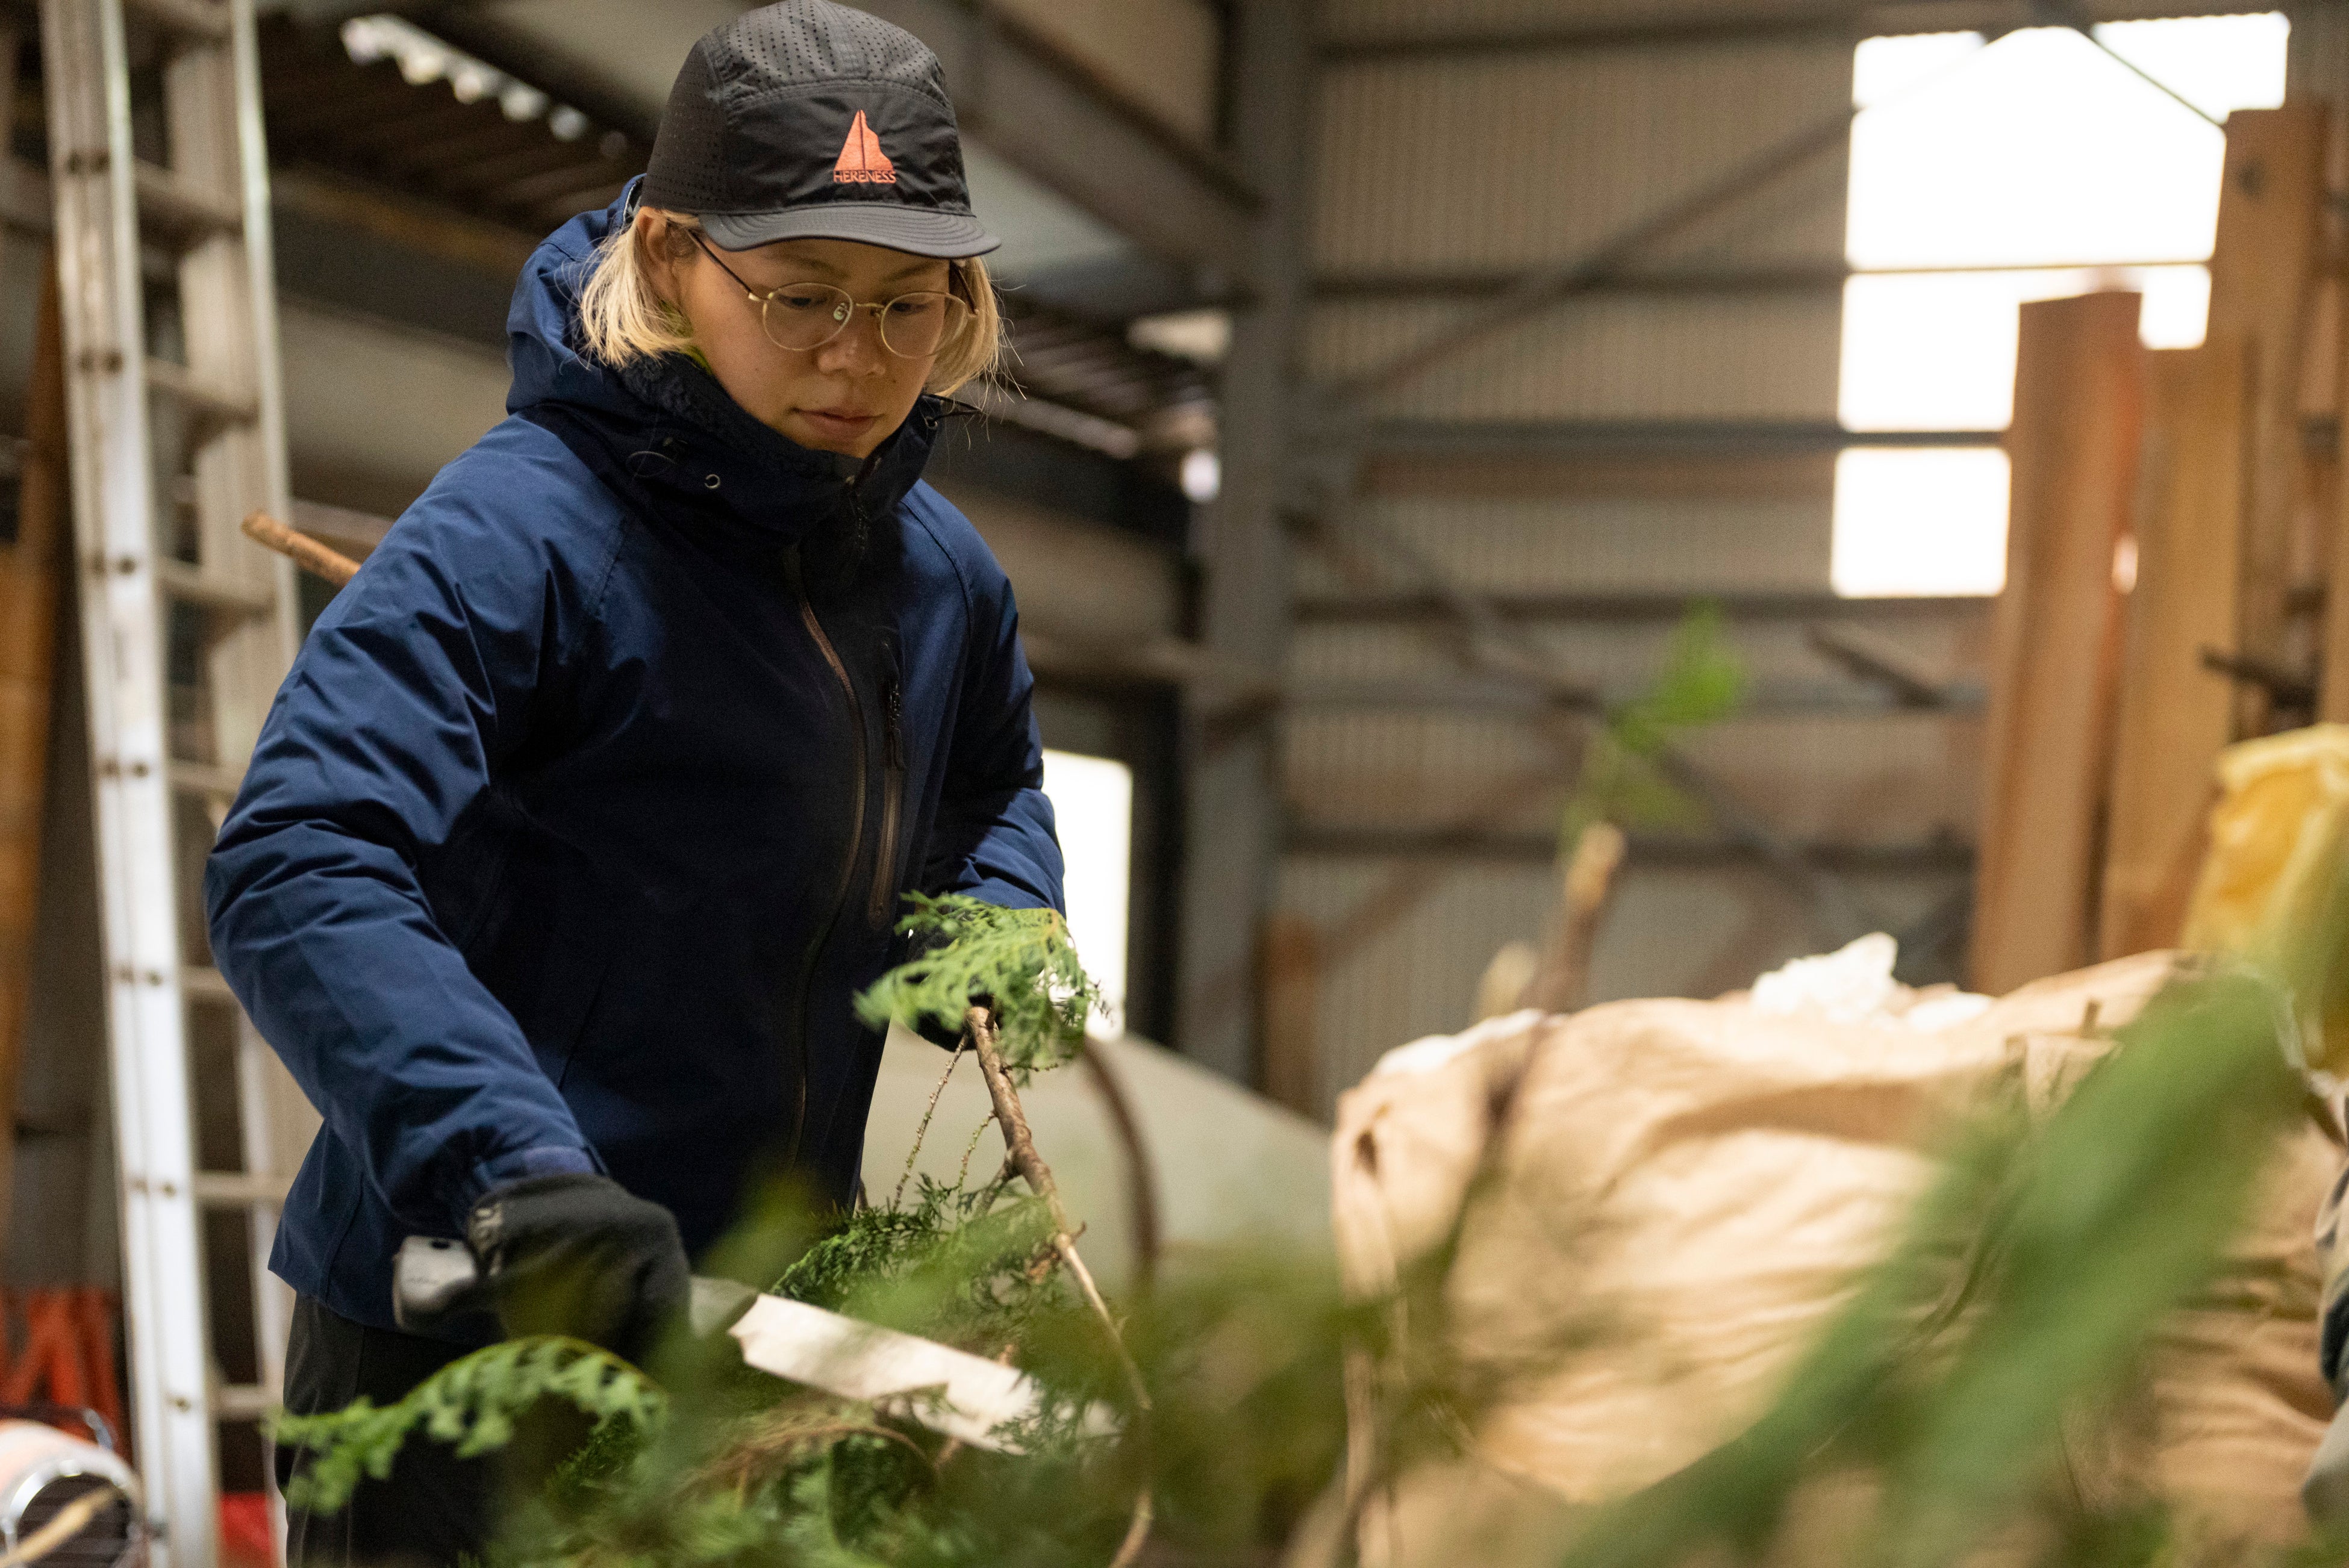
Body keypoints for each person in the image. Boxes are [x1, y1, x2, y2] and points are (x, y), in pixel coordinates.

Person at [202, 3, 1063, 1560]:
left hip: (751, 1327)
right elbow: (302, 855)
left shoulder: (942, 579)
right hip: (471, 1321)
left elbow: (990, 777)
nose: (855, 359)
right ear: (670, 258)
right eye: (801, 295)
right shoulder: (515, 541)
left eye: (908, 306)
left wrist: (999, 917)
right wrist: (508, 1161)